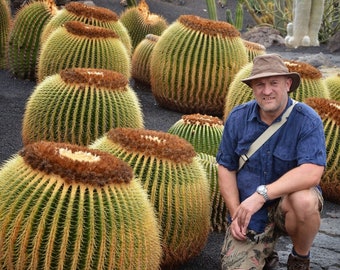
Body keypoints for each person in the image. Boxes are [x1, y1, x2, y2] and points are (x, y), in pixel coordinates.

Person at [216, 53, 326, 270]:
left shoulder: (307, 120)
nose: (266, 91)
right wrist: (236, 212)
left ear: (287, 84)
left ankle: (299, 258)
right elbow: (226, 167)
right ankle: (266, 255)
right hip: (251, 214)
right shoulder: (238, 118)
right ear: (253, 88)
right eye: (260, 85)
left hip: (289, 207)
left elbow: (312, 172)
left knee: (304, 201)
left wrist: (261, 194)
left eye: (273, 83)